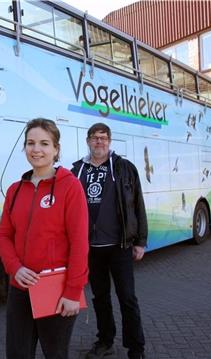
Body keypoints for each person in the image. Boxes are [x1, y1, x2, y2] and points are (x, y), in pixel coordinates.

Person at [0, 118, 89, 359]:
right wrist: (15, 268)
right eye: (30, 143)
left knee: (55, 354)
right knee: (17, 354)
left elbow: (80, 243)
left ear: (56, 149)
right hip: (20, 287)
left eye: (44, 143)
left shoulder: (70, 187)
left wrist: (72, 292)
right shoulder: (15, 190)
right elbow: (4, 235)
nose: (36, 149)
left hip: (55, 288)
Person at [71, 123, 147, 359]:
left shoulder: (125, 168)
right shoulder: (76, 171)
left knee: (127, 298)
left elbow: (137, 205)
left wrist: (140, 241)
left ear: (110, 141)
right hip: (91, 249)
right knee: (100, 298)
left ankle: (136, 349)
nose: (99, 142)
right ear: (88, 141)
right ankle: (105, 341)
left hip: (119, 246)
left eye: (103, 138)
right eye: (94, 138)